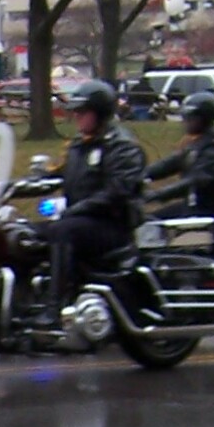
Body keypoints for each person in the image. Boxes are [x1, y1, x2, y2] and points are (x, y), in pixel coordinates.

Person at [43, 80, 146, 306]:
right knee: (25, 234)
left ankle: (55, 304)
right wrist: (9, 186)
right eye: (76, 111)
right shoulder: (80, 145)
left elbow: (117, 192)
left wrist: (78, 209)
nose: (77, 116)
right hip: (82, 219)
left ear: (100, 113)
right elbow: (57, 175)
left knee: (62, 230)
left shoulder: (122, 147)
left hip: (111, 224)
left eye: (83, 112)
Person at [145, 91, 214, 243]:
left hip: (211, 211)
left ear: (204, 120)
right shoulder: (198, 143)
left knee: (154, 229)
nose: (186, 122)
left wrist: (157, 195)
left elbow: (196, 181)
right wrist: (140, 174)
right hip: (195, 204)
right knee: (147, 221)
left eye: (190, 118)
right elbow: (171, 163)